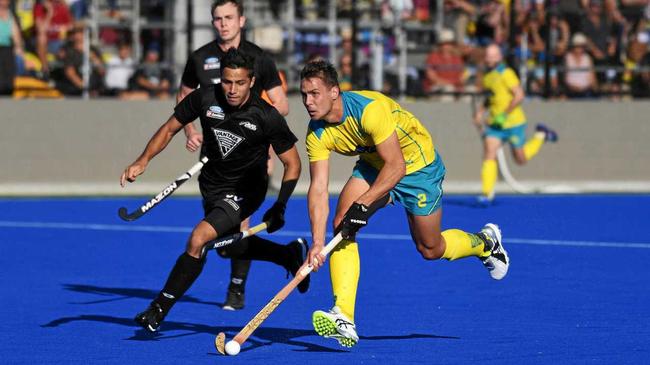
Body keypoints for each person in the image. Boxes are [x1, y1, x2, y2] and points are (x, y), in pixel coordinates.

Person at [299, 60, 510, 348]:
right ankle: (344, 316)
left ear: (334, 92)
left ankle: (484, 243)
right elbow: (319, 188)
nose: (308, 102)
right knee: (341, 226)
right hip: (375, 166)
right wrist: (315, 241)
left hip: (417, 166)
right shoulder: (318, 132)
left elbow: (396, 167)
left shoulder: (369, 110)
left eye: (314, 94)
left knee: (430, 248)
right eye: (304, 95)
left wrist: (364, 204)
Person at [121, 48, 310, 333]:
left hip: (246, 190)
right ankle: (288, 255)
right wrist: (143, 160)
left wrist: (280, 206)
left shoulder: (266, 115)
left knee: (198, 240)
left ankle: (158, 309)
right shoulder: (205, 97)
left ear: (252, 81)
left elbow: (292, 164)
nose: (232, 90)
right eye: (227, 81)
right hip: (212, 185)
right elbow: (170, 128)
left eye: (240, 83)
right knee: (226, 248)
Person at [176, 0, 289, 311]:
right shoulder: (200, 58)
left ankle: (236, 289)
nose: (223, 24)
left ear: (242, 20)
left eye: (229, 18)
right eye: (217, 19)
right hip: (214, 159)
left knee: (239, 225)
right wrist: (190, 131)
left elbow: (281, 104)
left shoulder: (260, 59)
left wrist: (257, 131)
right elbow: (184, 97)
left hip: (249, 160)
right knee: (223, 239)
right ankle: (287, 255)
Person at [473, 44, 558, 203]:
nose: (490, 59)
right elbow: (491, 98)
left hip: (513, 123)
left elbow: (519, 95)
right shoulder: (488, 76)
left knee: (521, 159)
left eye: (493, 56)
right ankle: (487, 193)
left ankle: (541, 135)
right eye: (488, 56)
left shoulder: (507, 73)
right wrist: (480, 112)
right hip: (495, 126)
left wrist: (504, 115)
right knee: (489, 153)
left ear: (499, 57)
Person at [0, 0, 24, 95]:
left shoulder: (11, 15)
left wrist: (18, 48)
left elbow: (16, 34)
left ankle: (8, 90)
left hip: (7, 47)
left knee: (9, 66)